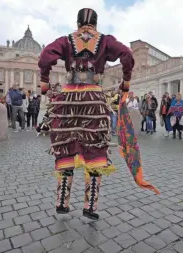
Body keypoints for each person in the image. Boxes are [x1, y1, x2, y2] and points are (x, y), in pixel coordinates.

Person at [38, 8, 135, 220]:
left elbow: (45, 56)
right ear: (96, 24)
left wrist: (44, 83)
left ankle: (62, 201)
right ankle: (90, 206)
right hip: (93, 97)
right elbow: (127, 54)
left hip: (69, 98)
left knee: (65, 143)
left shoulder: (66, 40)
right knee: (95, 145)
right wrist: (125, 83)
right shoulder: (105, 41)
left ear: (77, 22)